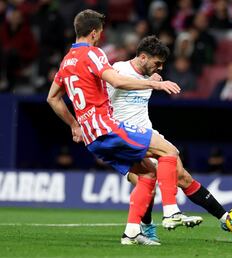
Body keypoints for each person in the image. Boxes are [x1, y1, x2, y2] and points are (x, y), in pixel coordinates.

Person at [47, 9, 199, 246]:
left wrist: (75, 125)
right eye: (101, 33)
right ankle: (171, 212)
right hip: (107, 127)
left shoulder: (66, 61)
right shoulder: (93, 53)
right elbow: (116, 80)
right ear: (95, 33)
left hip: (90, 137)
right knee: (169, 151)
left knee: (147, 173)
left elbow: (52, 98)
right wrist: (152, 84)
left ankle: (131, 233)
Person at [107, 35, 232, 242]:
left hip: (147, 134)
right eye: (156, 63)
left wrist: (151, 81)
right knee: (147, 179)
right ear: (142, 57)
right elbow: (113, 87)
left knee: (183, 176)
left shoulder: (151, 77)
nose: (159, 68)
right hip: (123, 138)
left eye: (161, 64)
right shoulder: (118, 70)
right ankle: (148, 225)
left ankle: (225, 219)